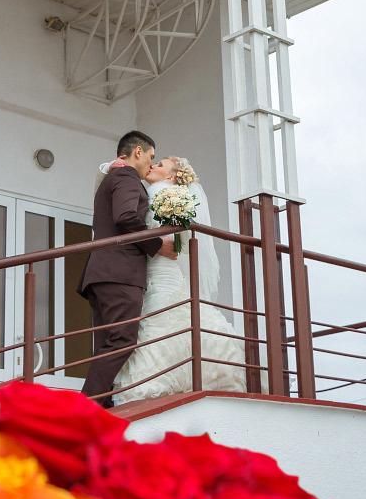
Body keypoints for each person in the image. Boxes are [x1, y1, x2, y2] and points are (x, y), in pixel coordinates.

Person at [111, 155, 246, 403]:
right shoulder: (152, 191)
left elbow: (174, 240)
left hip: (162, 269)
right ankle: (179, 377)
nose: (153, 165)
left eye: (160, 165)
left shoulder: (164, 194)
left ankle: (165, 380)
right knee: (165, 319)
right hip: (152, 268)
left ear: (171, 177)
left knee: (162, 317)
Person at [77, 130, 175, 407]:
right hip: (119, 273)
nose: (151, 164)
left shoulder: (114, 176)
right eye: (151, 157)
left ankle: (102, 402)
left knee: (108, 341)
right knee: (122, 339)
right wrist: (157, 244)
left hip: (102, 273)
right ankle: (88, 404)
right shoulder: (126, 176)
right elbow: (125, 216)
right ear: (138, 152)